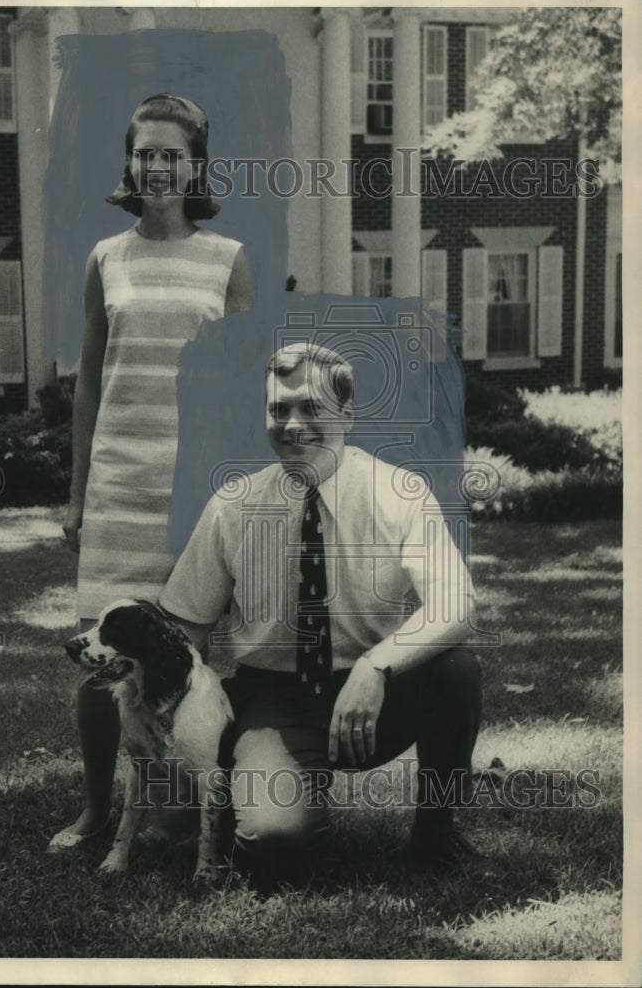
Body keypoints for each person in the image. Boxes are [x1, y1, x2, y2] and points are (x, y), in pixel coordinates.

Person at [158, 342, 483, 879]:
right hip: (275, 698)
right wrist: (181, 742)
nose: (292, 424)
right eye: (278, 409)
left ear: (348, 413)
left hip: (378, 696)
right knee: (273, 843)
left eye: (312, 407)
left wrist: (376, 665)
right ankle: (276, 798)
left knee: (456, 670)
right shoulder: (234, 505)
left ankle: (435, 839)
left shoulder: (399, 494)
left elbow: (458, 604)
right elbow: (186, 629)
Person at [48, 93, 252, 851]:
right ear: (128, 163)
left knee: (202, 659)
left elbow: (239, 390)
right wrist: (76, 496)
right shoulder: (106, 257)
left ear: (194, 165)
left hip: (198, 496)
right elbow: (91, 383)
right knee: (100, 664)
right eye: (145, 152)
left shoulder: (227, 260)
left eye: (172, 153)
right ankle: (99, 809)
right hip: (118, 490)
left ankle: (207, 812)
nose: (157, 165)